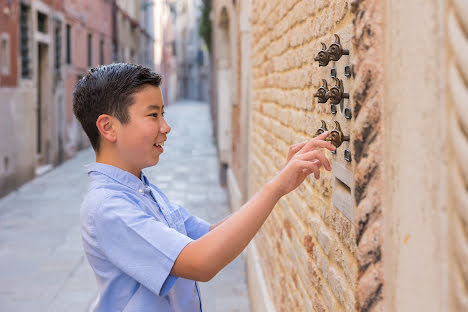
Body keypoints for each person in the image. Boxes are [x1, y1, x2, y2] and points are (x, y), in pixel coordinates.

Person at [73, 63, 336, 312]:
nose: (166, 127)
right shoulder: (109, 207)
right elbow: (202, 261)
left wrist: (280, 181)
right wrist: (276, 187)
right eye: (153, 115)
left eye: (163, 114)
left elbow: (209, 235)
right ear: (108, 127)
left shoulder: (141, 190)